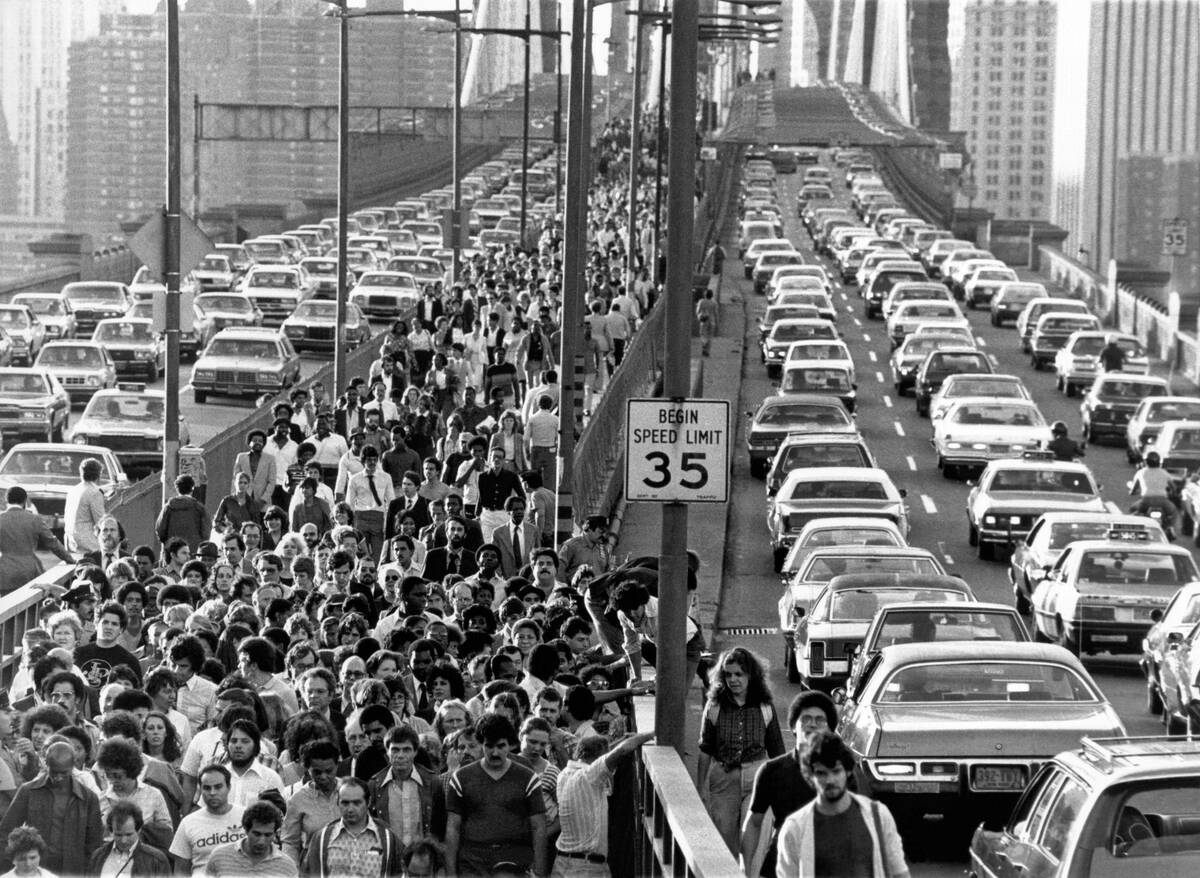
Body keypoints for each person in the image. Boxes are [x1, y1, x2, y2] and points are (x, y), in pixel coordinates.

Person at [774, 732, 909, 878]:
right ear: (810, 776)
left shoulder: (878, 816)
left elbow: (899, 872)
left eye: (836, 771)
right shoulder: (794, 828)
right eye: (821, 773)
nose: (830, 780)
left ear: (848, 771)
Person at [697, 647, 785, 855]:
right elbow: (705, 748)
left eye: (739, 674)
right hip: (724, 780)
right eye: (728, 674)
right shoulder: (715, 705)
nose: (733, 680)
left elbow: (777, 750)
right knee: (725, 840)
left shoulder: (764, 706)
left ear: (750, 675)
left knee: (752, 841)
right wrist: (700, 787)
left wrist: (782, 788)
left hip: (756, 777)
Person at [742, 692, 834, 877]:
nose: (812, 724)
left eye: (820, 720)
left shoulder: (844, 774)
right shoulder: (771, 771)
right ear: (793, 726)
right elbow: (753, 823)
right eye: (805, 719)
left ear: (830, 729)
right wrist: (745, 869)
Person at [444, 714, 547, 878]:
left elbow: (539, 827)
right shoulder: (461, 778)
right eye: (489, 746)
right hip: (473, 864)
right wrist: (451, 873)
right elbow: (452, 828)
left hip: (516, 864)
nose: (495, 752)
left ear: (510, 745)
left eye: (501, 746)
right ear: (481, 744)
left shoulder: (528, 778)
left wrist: (539, 872)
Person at [552, 732, 654, 877]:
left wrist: (623, 738)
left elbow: (603, 754)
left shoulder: (564, 774)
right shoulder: (590, 775)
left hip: (562, 862)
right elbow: (621, 751)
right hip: (586, 867)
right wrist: (652, 733)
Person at [0, 741, 104, 876]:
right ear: (46, 765)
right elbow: (6, 832)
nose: (58, 777)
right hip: (36, 868)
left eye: (63, 773)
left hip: (73, 870)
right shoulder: (28, 791)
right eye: (54, 772)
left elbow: (94, 844)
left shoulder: (88, 798)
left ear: (73, 767)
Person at [302, 776, 404, 878]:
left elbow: (401, 873)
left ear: (368, 802)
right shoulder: (322, 838)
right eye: (345, 803)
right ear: (338, 802)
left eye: (356, 803)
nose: (350, 809)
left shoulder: (387, 839)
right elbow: (307, 874)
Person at [169, 765, 245, 878]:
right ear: (201, 790)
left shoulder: (246, 817)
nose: (212, 792)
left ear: (229, 787)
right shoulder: (188, 823)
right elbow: (180, 870)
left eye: (218, 787)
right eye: (207, 788)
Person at [0, 486, 73, 594]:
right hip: (30, 570)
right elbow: (53, 543)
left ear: (6, 500)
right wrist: (69, 559)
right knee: (32, 607)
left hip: (5, 571)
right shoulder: (35, 519)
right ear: (25, 500)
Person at [201, 800, 296, 877]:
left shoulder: (287, 867)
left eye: (268, 835)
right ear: (246, 830)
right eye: (256, 834)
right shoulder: (219, 857)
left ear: (275, 834)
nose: (261, 842)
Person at [86, 799, 172, 878]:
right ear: (111, 831)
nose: (124, 841)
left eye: (129, 835)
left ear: (139, 830)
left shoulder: (156, 860)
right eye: (118, 835)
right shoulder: (98, 856)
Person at [63, 457, 106, 554]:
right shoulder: (94, 492)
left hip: (71, 541)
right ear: (99, 474)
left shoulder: (73, 491)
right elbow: (101, 521)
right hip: (88, 544)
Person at [155, 475, 208, 552]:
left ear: (177, 489)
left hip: (173, 551)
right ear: (192, 488)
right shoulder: (199, 507)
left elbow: (160, 529)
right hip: (193, 551)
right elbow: (206, 531)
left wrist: (167, 543)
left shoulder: (168, 507)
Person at [1130, 449, 1177, 535]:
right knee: (1173, 511)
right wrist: (1173, 493)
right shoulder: (1164, 473)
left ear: (1146, 462)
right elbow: (1173, 487)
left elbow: (1134, 489)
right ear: (1159, 462)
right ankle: (1170, 528)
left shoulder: (1141, 472)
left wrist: (1132, 492)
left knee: (1132, 509)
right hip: (1162, 501)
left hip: (1145, 501)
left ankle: (1133, 529)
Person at [696, 288, 719, 357]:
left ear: (705, 295)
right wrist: (717, 323)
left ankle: (704, 344)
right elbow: (716, 314)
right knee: (710, 336)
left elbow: (698, 311)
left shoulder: (701, 302)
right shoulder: (714, 303)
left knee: (703, 334)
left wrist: (699, 316)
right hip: (712, 321)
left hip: (704, 320)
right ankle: (707, 351)